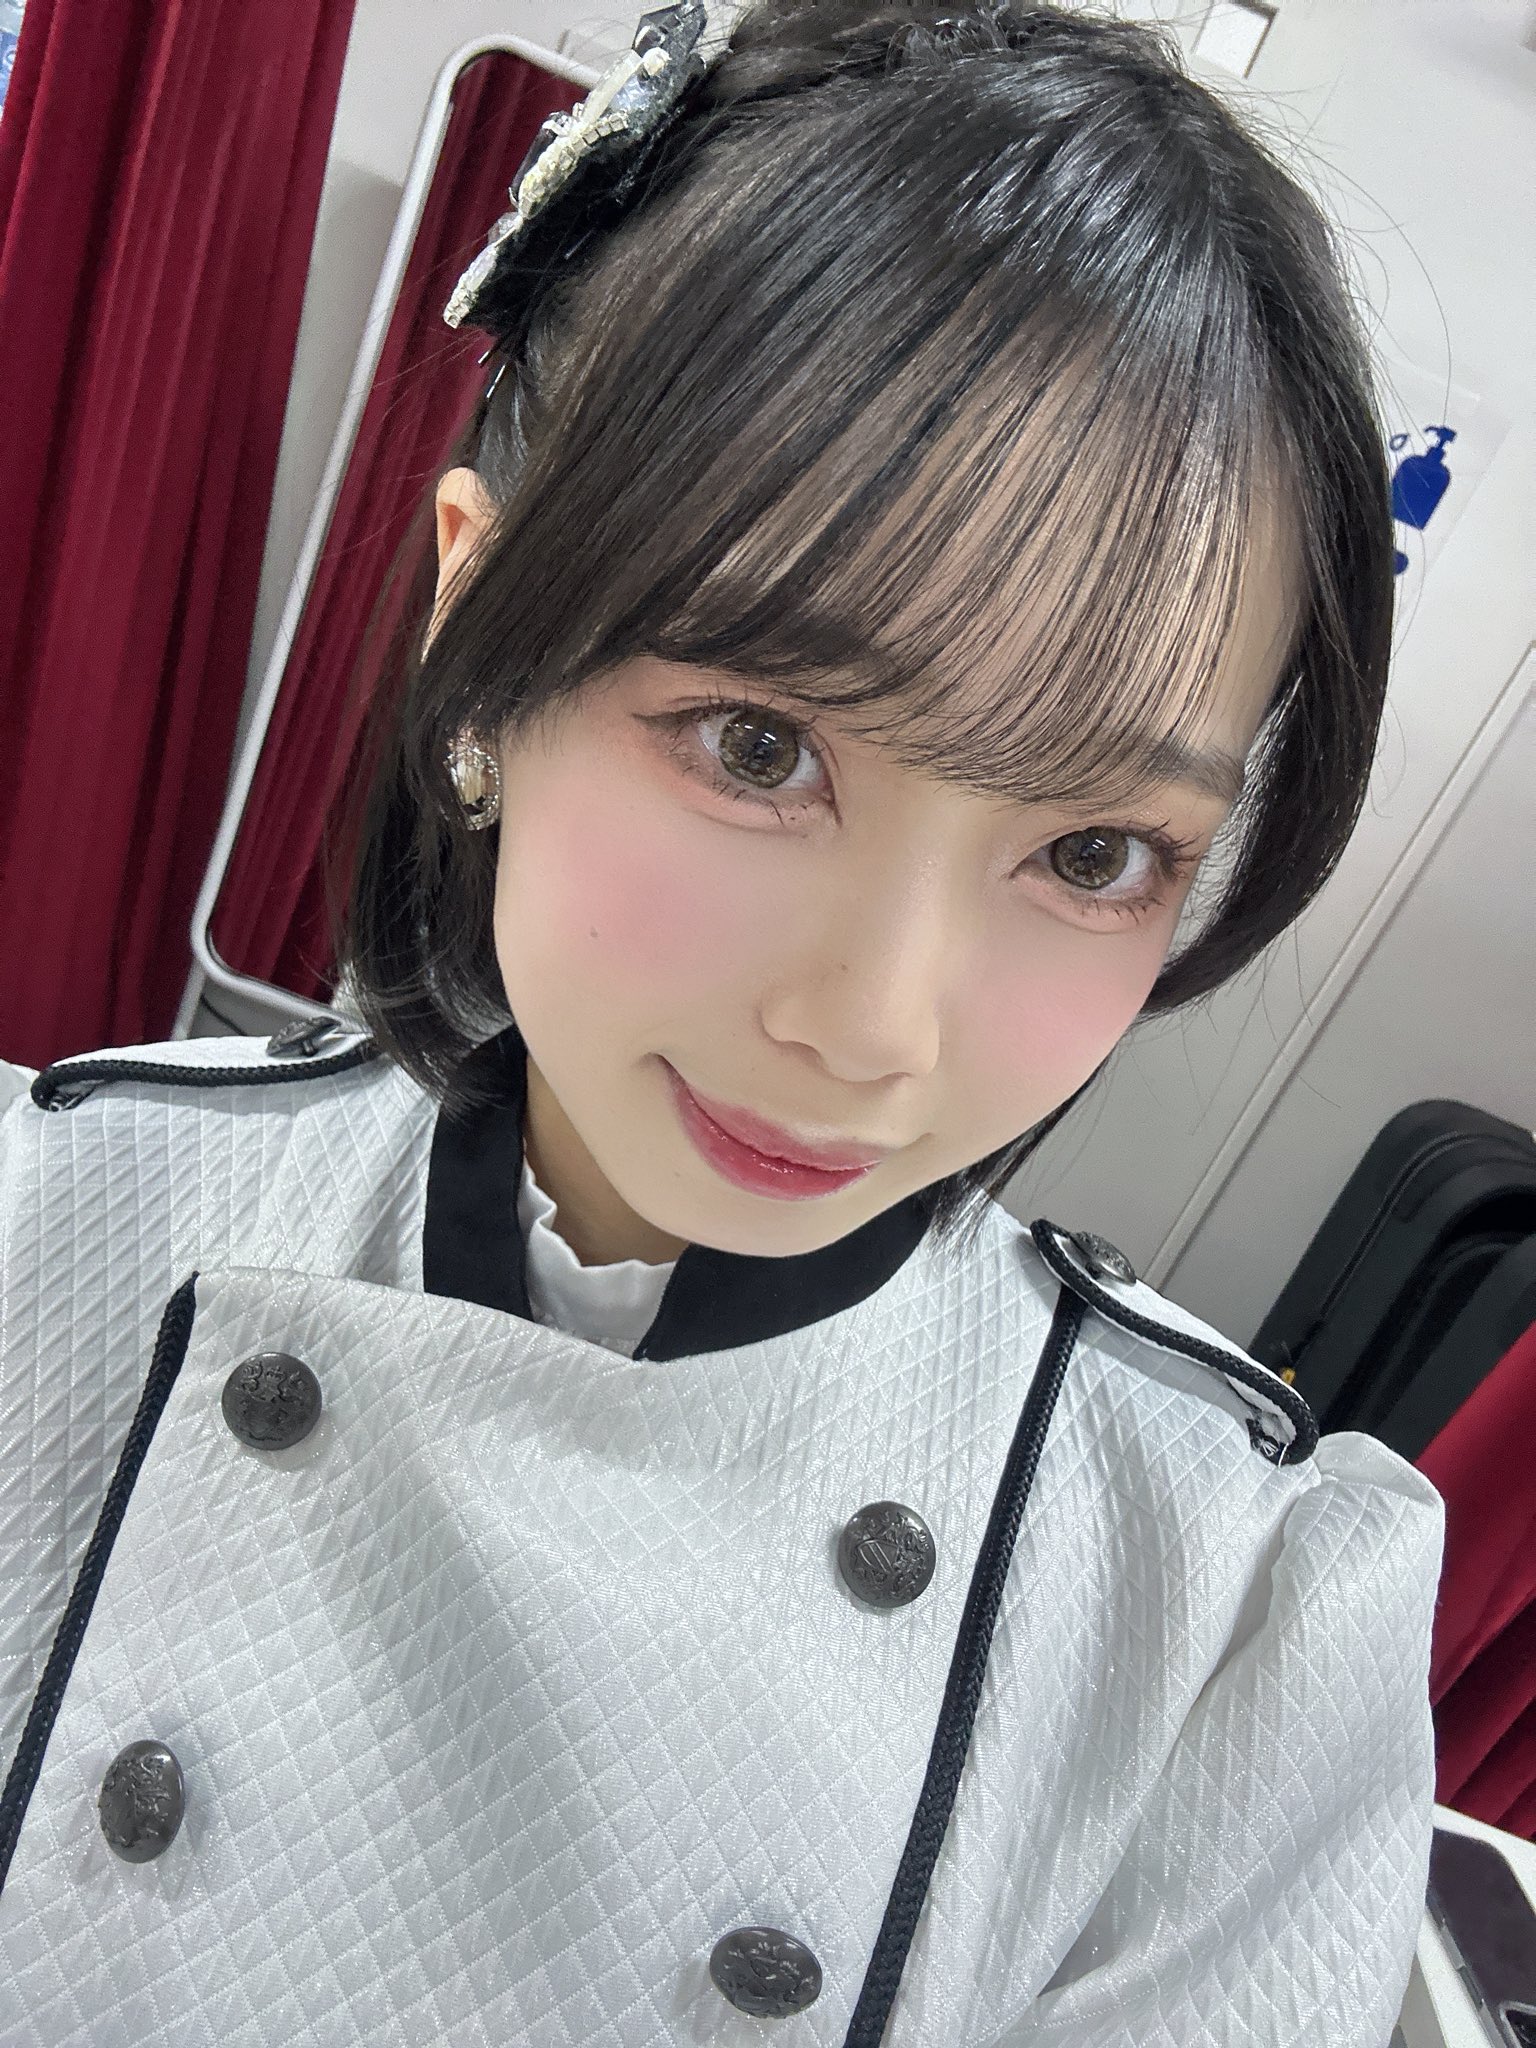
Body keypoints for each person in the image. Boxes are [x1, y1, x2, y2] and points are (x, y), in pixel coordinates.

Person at [0, 1, 1445, 2042]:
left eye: (1095, 851)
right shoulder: (44, 1231)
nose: (870, 1029)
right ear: (479, 630)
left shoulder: (1229, 1621)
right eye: (760, 745)